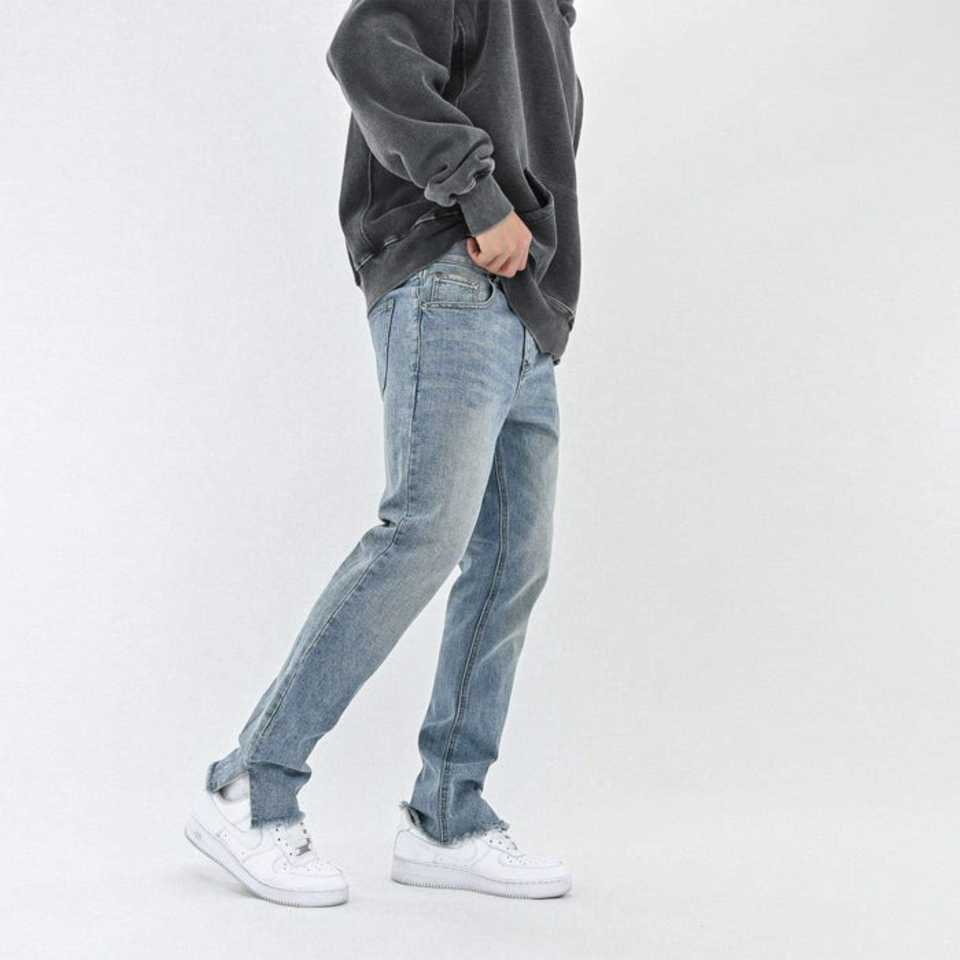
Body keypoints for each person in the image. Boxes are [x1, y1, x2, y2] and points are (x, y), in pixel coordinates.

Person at [185, 0, 584, 906]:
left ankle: (449, 814)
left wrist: (548, 300)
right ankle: (251, 785)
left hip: (524, 311)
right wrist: (481, 198)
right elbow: (365, 48)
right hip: (451, 273)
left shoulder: (553, 16)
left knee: (513, 561)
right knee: (423, 535)